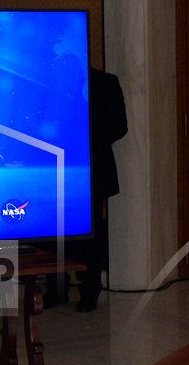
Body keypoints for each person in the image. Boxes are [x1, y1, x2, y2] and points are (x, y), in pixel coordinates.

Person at [45, 67, 128, 311]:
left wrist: (84, 139)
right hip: (57, 170)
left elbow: (119, 126)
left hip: (93, 170)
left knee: (90, 234)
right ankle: (55, 288)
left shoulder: (105, 81)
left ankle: (89, 290)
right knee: (54, 232)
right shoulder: (51, 75)